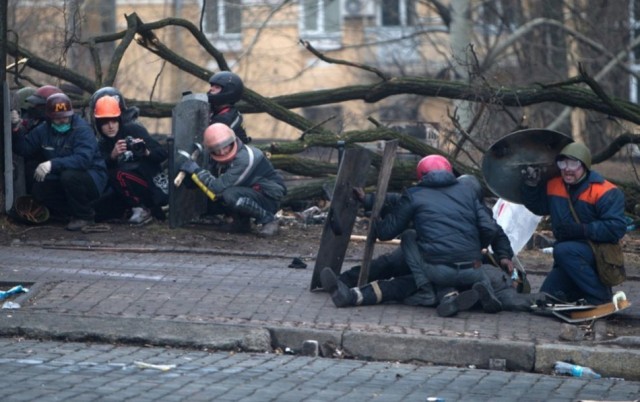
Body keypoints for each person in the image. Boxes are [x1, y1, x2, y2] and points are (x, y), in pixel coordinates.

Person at [321, 155, 503, 313]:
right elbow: (491, 229)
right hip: (474, 268)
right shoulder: (467, 194)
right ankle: (471, 294)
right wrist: (483, 249)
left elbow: (386, 232)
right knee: (395, 271)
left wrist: (375, 219)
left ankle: (426, 291)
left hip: (437, 266)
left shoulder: (417, 194)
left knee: (402, 254)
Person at [521, 141, 627, 305]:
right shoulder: (554, 185)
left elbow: (616, 228)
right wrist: (530, 186)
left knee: (563, 250)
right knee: (547, 298)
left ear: (584, 165)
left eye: (573, 163)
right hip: (567, 257)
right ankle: (578, 293)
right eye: (563, 164)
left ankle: (601, 298)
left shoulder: (606, 191)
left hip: (598, 253)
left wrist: (582, 230)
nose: (567, 169)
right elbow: (538, 207)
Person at [12, 93, 108, 231]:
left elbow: (83, 160)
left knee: (69, 177)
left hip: (92, 177)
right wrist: (16, 129)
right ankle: (67, 213)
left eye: (65, 117)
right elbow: (24, 149)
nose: (62, 121)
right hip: (62, 174)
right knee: (40, 187)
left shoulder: (82, 130)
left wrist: (52, 164)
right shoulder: (44, 130)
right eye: (58, 118)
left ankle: (85, 217)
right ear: (50, 118)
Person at [177, 123, 286, 236]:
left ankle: (269, 220)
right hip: (253, 191)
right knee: (226, 194)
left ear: (232, 142)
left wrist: (197, 171)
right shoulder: (227, 158)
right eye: (217, 149)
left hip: (269, 197)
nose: (222, 152)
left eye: (225, 146)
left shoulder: (244, 159)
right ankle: (241, 224)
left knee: (229, 194)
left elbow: (217, 187)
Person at [94, 95, 168, 224]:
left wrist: (146, 151)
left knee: (118, 174)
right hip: (126, 188)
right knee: (99, 212)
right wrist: (112, 156)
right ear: (99, 126)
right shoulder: (103, 143)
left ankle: (142, 209)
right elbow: (99, 169)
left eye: (114, 121)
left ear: (119, 121)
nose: (110, 126)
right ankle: (135, 209)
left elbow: (162, 153)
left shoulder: (133, 129)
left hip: (152, 184)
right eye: (105, 123)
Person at [207, 71, 251, 144]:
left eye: (217, 87)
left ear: (229, 91)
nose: (211, 89)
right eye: (212, 86)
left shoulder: (226, 117)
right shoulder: (213, 110)